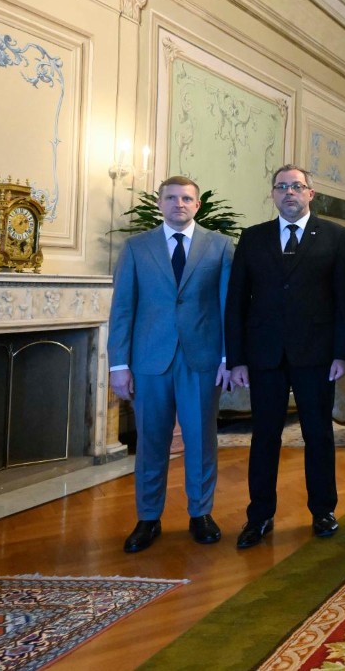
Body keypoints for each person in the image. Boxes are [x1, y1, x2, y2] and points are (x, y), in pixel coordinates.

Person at [225, 165, 345, 548]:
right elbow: (236, 301)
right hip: (264, 354)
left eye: (296, 186)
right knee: (265, 436)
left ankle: (323, 511)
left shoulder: (334, 236)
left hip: (316, 354)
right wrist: (236, 358)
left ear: (310, 193)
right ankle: (259, 515)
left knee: (318, 434)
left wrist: (341, 353)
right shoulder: (253, 237)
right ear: (273, 194)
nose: (289, 193)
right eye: (281, 187)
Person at [107, 176, 234, 553]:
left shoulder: (220, 245)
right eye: (172, 198)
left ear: (197, 205)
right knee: (150, 440)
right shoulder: (136, 247)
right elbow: (123, 308)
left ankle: (201, 513)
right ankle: (148, 517)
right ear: (160, 203)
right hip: (149, 360)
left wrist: (227, 357)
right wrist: (118, 364)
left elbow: (228, 306)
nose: (179, 203)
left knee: (201, 438)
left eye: (186, 198)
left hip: (202, 358)